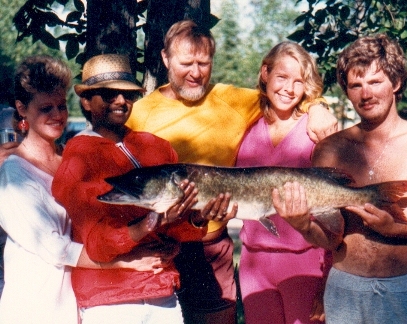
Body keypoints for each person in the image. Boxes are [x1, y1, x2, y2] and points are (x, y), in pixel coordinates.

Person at [126, 19, 338, 324]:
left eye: (204, 62)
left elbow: (287, 93)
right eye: (187, 62)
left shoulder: (235, 101)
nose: (196, 72)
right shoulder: (140, 113)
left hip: (212, 249)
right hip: (158, 246)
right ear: (165, 59)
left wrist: (318, 107)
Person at [273, 34, 407, 324]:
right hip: (346, 290)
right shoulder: (330, 149)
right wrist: (302, 225)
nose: (366, 94)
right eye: (355, 85)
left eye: (375, 82)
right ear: (347, 91)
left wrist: (397, 229)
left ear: (396, 83)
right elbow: (331, 237)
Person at [0, 55, 169, 324]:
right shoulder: (12, 173)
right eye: (46, 108)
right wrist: (120, 264)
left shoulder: (69, 159)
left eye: (61, 105)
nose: (57, 115)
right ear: (22, 109)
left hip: (72, 300)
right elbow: (54, 247)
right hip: (34, 301)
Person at [51, 54, 219, 324]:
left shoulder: (156, 146)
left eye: (128, 95)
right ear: (86, 101)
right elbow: (95, 243)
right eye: (108, 94)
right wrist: (148, 224)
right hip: (110, 302)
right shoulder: (78, 157)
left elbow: (178, 231)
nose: (120, 101)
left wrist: (197, 218)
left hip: (162, 293)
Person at [235, 41, 333, 324]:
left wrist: (327, 281)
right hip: (254, 264)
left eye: (299, 82)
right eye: (281, 77)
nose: (288, 89)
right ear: (265, 73)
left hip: (304, 261)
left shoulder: (315, 130)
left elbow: (335, 211)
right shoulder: (246, 124)